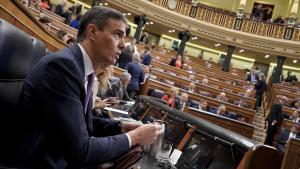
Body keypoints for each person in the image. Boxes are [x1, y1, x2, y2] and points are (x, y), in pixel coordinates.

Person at [15, 7, 162, 168]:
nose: (123, 45)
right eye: (117, 34)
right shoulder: (63, 67)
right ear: (92, 32)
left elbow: (80, 124)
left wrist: (120, 127)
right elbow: (80, 152)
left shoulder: (79, 68)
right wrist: (135, 137)